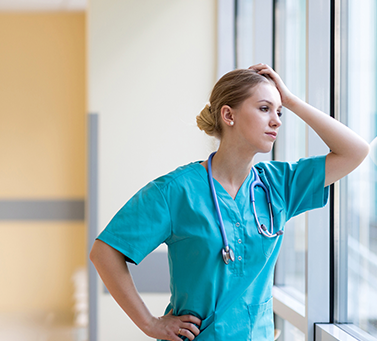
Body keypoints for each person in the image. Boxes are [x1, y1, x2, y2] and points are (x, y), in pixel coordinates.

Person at [89, 64, 370, 341]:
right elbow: (104, 252)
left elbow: (355, 151)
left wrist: (292, 100)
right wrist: (149, 323)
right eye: (264, 109)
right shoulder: (176, 190)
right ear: (228, 115)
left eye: (279, 111)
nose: (277, 120)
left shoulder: (279, 184)